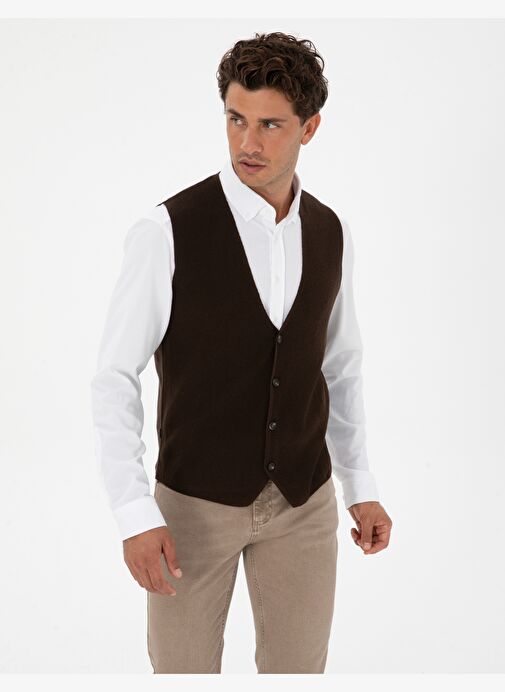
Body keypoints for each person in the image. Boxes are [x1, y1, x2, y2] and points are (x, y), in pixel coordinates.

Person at [90, 31, 392, 674]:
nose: (248, 143)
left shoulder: (330, 231)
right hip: (192, 507)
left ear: (309, 128)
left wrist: (359, 484)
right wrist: (134, 513)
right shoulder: (165, 232)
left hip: (304, 502)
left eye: (270, 125)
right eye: (236, 119)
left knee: (299, 674)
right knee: (181, 674)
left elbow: (339, 366)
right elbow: (114, 376)